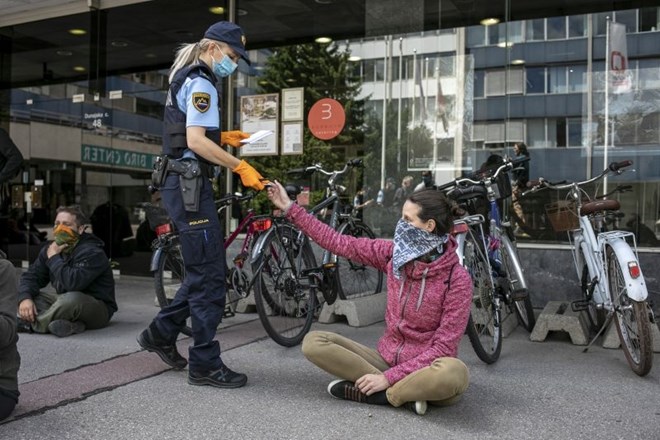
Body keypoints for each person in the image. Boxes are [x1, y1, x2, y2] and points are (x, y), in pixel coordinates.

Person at [267, 182, 472, 416]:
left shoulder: (457, 279)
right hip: (384, 360)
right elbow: (339, 242)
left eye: (407, 219)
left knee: (455, 373)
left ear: (429, 226)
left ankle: (386, 395)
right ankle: (404, 396)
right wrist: (289, 207)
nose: (400, 225)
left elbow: (444, 347)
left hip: (425, 371)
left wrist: (387, 379)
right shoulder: (393, 255)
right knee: (314, 342)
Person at [137, 21, 266, 389]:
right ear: (212, 48)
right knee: (210, 277)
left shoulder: (186, 75)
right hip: (189, 186)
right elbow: (194, 141)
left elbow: (185, 131)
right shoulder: (202, 80)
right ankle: (205, 364)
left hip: (182, 184)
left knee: (201, 272)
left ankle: (160, 334)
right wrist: (239, 165)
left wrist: (222, 136)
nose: (233, 64)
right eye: (230, 56)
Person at [17, 205, 117, 337]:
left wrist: (53, 258)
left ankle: (31, 324)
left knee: (71, 299)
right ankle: (73, 325)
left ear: (80, 229)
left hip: (97, 308)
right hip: (64, 301)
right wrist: (25, 299)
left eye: (66, 224)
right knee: (21, 294)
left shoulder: (92, 252)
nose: (60, 228)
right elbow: (32, 277)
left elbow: (73, 283)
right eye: (57, 224)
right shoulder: (51, 249)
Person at [0, 257, 20, 422]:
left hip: (1, 385)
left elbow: (6, 333)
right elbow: (33, 277)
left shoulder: (3, 269)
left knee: (72, 300)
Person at [511, 142, 530, 233]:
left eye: (515, 148)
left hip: (518, 186)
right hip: (518, 185)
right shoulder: (522, 158)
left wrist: (516, 184)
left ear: (520, 149)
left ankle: (520, 226)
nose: (514, 150)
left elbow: (520, 172)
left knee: (515, 204)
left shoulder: (521, 159)